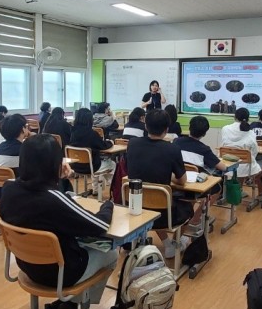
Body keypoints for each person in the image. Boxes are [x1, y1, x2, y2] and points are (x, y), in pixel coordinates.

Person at [0, 134, 117, 309]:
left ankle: (59, 307)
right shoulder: (53, 199)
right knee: (111, 252)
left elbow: (42, 207)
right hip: (62, 274)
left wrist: (57, 180)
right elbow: (100, 225)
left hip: (27, 266)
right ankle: (69, 304)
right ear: (55, 163)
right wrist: (108, 205)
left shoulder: (8, 189)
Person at [126, 109, 192, 258]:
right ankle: (175, 243)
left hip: (134, 206)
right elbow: (182, 180)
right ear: (166, 129)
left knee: (154, 199)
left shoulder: (133, 143)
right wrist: (170, 177)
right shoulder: (172, 148)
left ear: (146, 126)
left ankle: (168, 244)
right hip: (162, 214)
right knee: (186, 206)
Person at [174, 115, 227, 232]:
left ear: (189, 128)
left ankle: (188, 215)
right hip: (195, 185)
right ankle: (196, 218)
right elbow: (222, 167)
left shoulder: (176, 141)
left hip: (176, 180)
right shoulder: (204, 149)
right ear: (204, 133)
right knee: (217, 188)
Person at [220, 108, 262, 203]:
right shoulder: (250, 132)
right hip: (246, 167)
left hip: (227, 166)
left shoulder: (225, 129)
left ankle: (239, 190)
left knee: (241, 165)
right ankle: (261, 194)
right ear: (248, 118)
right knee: (261, 166)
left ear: (235, 117)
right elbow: (254, 151)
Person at [69, 108, 115, 193]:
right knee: (112, 165)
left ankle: (96, 190)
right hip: (91, 167)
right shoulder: (92, 134)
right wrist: (111, 142)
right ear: (90, 120)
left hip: (75, 166)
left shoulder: (72, 132)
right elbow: (103, 146)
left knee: (95, 161)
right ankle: (115, 191)